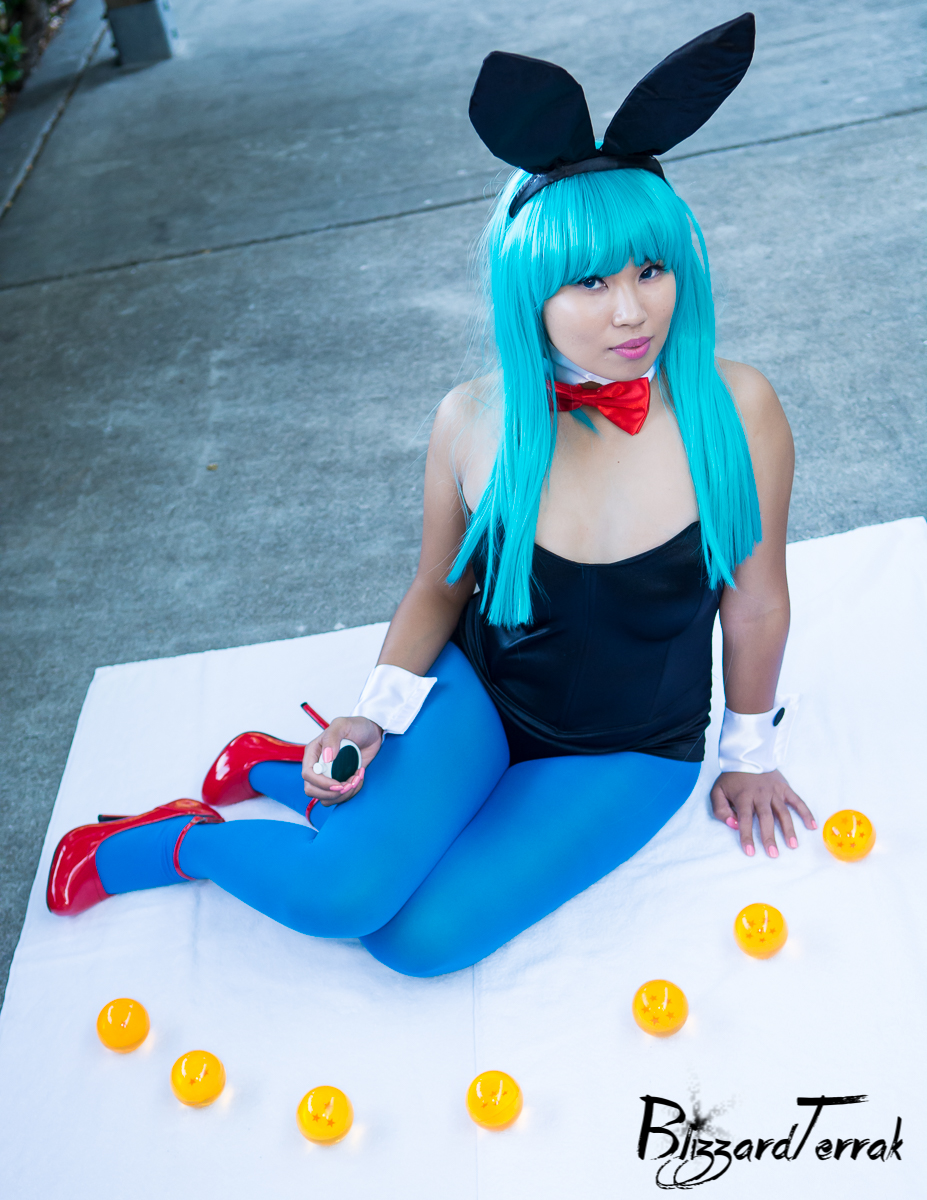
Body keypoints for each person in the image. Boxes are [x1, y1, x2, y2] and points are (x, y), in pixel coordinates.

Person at [46, 15, 815, 977]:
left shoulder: (738, 408)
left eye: (651, 270)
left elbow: (756, 603)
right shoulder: (472, 419)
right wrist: (371, 713)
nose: (631, 310)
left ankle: (280, 771)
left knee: (415, 941)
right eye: (588, 281)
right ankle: (176, 838)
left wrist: (747, 752)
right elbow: (436, 588)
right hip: (482, 696)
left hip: (628, 750)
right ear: (526, 291)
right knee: (340, 897)